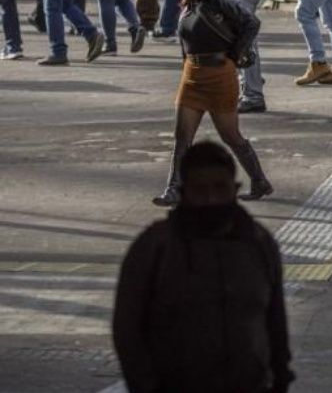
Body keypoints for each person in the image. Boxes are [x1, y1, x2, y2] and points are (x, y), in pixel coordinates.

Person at [114, 141, 293, 392]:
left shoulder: (258, 243)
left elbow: (275, 322)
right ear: (184, 192)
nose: (211, 199)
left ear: (235, 188)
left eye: (220, 188)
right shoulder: (154, 249)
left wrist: (280, 379)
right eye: (200, 190)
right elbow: (128, 330)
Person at [153, 0, 272, 206]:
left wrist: (235, 54)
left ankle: (259, 181)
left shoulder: (221, 1)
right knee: (182, 137)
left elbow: (252, 23)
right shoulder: (188, 5)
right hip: (192, 75)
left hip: (219, 74)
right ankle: (173, 188)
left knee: (231, 136)